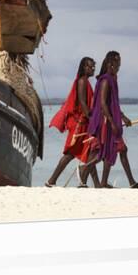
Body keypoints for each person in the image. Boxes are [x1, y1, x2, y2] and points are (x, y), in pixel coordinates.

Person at [79, 51, 138, 189]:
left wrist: (123, 117)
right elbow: (103, 104)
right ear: (110, 64)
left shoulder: (112, 79)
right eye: (117, 64)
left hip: (111, 120)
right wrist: (112, 122)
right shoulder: (105, 80)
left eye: (120, 64)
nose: (119, 67)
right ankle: (85, 171)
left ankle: (124, 182)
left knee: (118, 150)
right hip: (105, 122)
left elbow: (113, 103)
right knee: (103, 152)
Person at [45, 57, 100, 188]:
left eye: (93, 67)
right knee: (71, 152)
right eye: (90, 66)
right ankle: (51, 181)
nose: (92, 69)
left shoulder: (86, 81)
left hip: (84, 122)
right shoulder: (82, 81)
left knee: (89, 151)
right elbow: (82, 102)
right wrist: (92, 118)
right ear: (83, 67)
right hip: (79, 124)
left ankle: (92, 183)